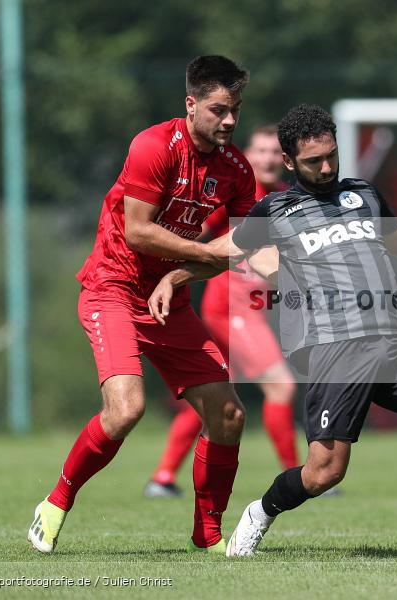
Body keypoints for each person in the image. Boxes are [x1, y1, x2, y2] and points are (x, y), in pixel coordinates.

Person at [147, 104, 397, 558]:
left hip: (396, 344)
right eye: (313, 161)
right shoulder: (276, 209)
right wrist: (172, 278)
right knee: (324, 473)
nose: (326, 167)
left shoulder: (363, 193)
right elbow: (224, 250)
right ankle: (260, 512)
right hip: (334, 351)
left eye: (331, 156)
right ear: (289, 163)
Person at [27, 56, 255, 554]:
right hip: (112, 287)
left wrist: (178, 275)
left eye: (236, 109)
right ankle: (55, 502)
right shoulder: (154, 146)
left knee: (230, 415)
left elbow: (238, 254)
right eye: (219, 110)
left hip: (169, 299)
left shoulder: (237, 170)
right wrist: (206, 253)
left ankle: (208, 535)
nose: (231, 120)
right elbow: (138, 230)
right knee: (127, 409)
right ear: (191, 104)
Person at [144, 125, 300, 498]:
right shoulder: (237, 196)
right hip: (230, 307)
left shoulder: (283, 198)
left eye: (274, 152)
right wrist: (168, 270)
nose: (267, 158)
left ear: (286, 159)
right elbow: (198, 234)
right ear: (247, 154)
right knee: (281, 385)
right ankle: (297, 477)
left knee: (212, 394)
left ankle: (162, 478)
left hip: (251, 310)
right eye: (260, 151)